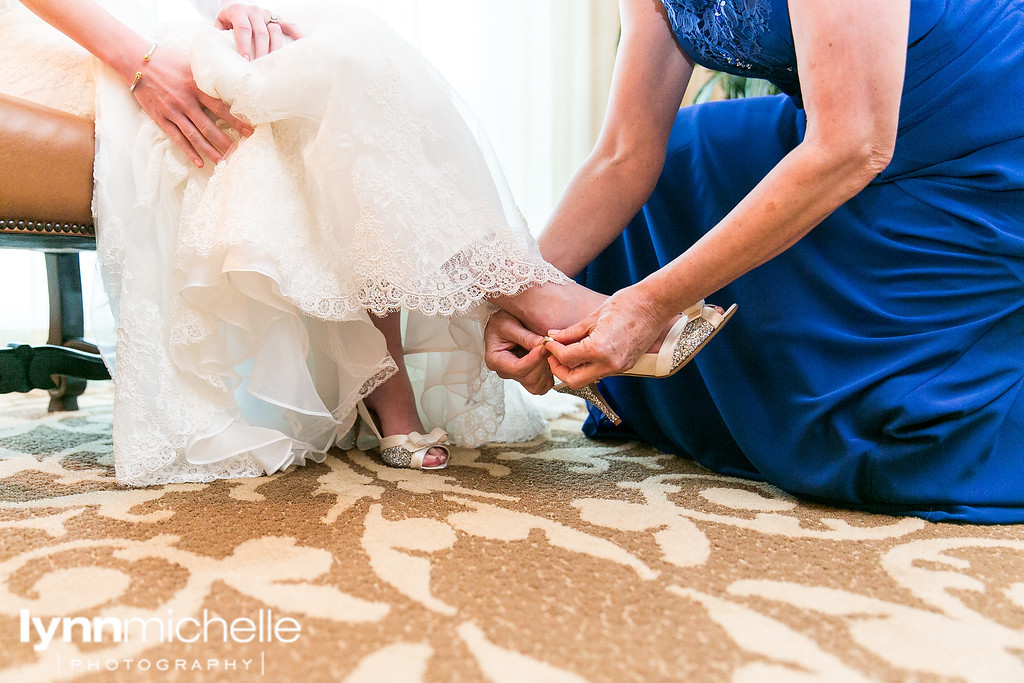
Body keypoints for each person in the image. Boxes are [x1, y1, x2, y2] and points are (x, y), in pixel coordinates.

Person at [2, 0, 646, 484]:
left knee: (333, 40)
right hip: (61, 34)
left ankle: (416, 355)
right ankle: (530, 295)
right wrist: (139, 59)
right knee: (284, 72)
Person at [486, 0, 1024, 523]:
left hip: (976, 139)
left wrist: (649, 303)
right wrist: (528, 292)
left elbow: (853, 148)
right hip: (839, 128)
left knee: (899, 437)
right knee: (681, 158)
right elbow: (624, 153)